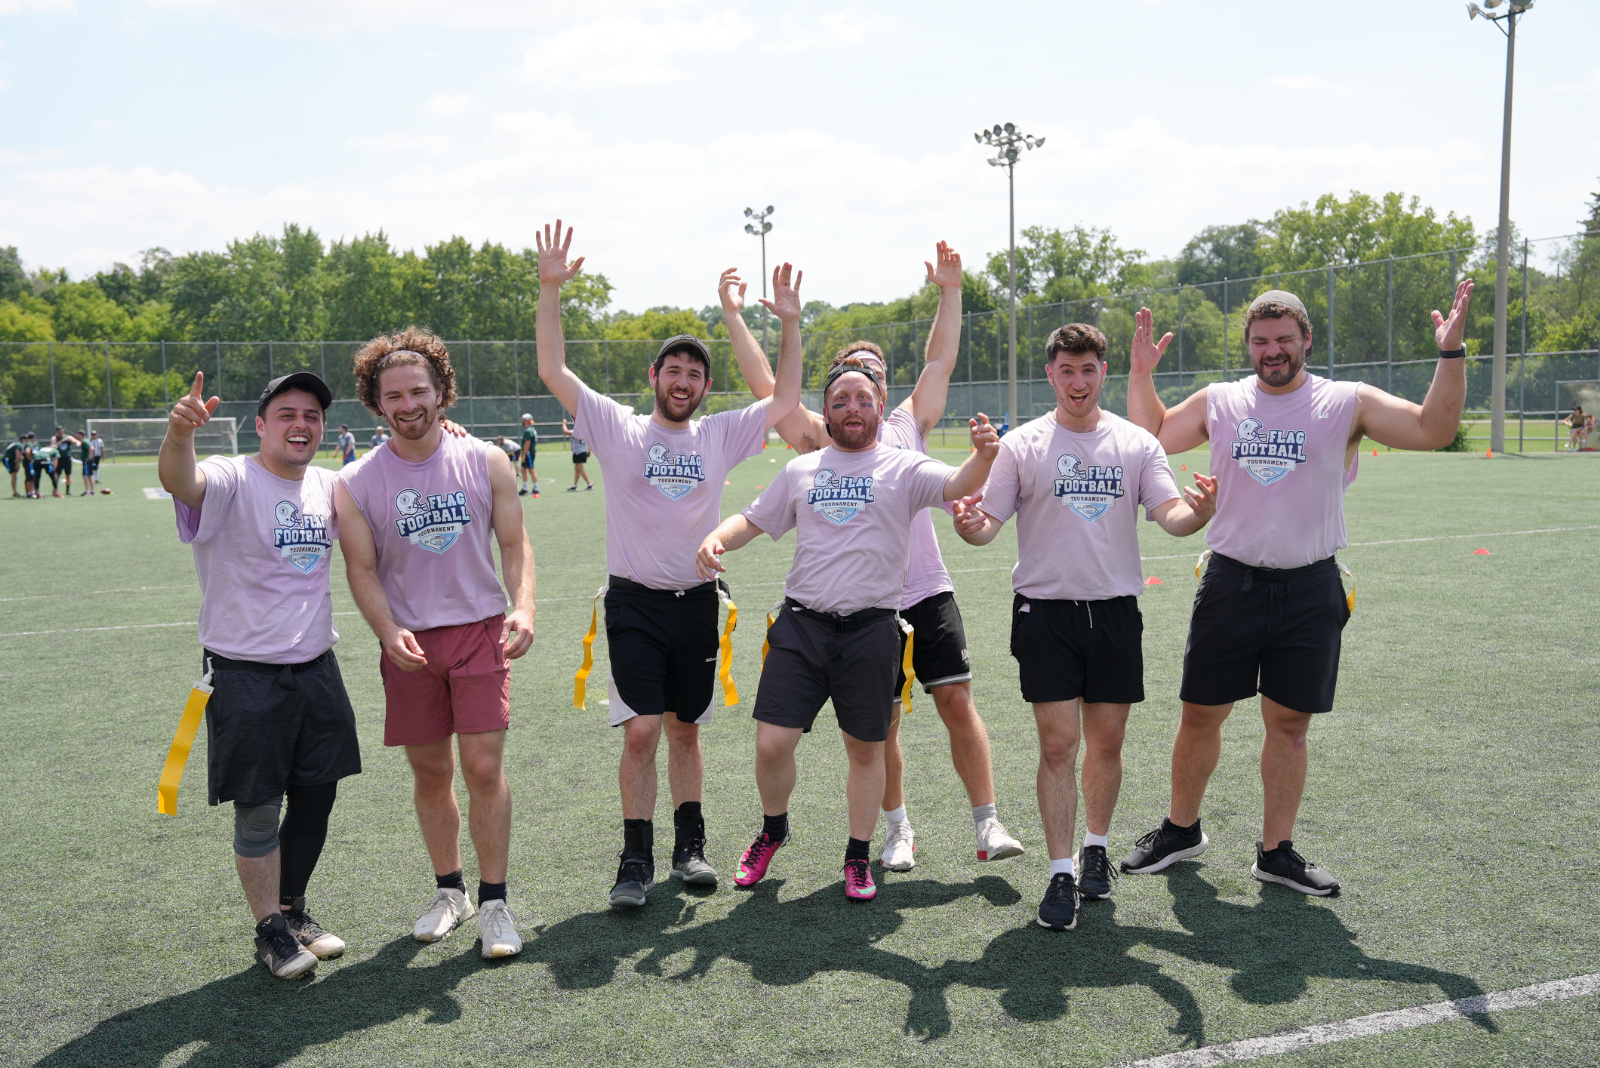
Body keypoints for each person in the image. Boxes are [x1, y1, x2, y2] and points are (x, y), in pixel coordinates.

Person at [1121, 283, 1474, 896]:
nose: (1273, 350)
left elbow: (1434, 428)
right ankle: (1181, 831)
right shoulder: (1221, 400)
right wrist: (1141, 373)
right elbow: (1149, 431)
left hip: (1310, 586)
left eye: (1284, 338)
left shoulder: (1345, 401)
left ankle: (1276, 852)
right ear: (1248, 346)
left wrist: (1451, 353)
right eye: (1261, 341)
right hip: (1230, 580)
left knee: (1288, 724)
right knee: (1201, 713)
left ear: (1307, 340)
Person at [730, 241, 1025, 873]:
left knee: (956, 700)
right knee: (879, 725)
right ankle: (896, 829)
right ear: (834, 392)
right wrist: (741, 319)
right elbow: (767, 388)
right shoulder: (824, 437)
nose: (863, 381)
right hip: (861, 606)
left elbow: (940, 359)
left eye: (874, 371)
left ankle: (987, 821)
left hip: (924, 588)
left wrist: (951, 291)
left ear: (883, 386)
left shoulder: (906, 423)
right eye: (850, 372)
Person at [535, 220, 802, 907]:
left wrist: (788, 325)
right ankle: (635, 860)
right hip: (634, 603)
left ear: (705, 386)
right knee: (642, 730)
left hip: (697, 603)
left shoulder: (718, 434)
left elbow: (783, 401)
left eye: (695, 374)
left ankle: (691, 848)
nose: (683, 381)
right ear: (654, 376)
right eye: (673, 370)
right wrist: (550, 289)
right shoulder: (619, 427)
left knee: (685, 729)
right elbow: (553, 371)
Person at [697, 358, 1000, 902]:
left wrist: (983, 455)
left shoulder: (903, 467)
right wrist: (717, 537)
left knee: (866, 750)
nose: (852, 408)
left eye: (863, 399)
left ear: (880, 407)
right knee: (771, 743)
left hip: (872, 631)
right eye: (840, 401)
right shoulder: (803, 470)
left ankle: (858, 857)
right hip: (801, 626)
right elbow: (754, 518)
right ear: (826, 413)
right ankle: (773, 830)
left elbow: (959, 483)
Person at [951, 322, 1218, 933]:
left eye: (1088, 369)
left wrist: (1199, 512)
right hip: (1045, 613)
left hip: (1115, 614)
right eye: (1066, 370)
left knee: (1107, 743)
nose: (1078, 381)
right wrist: (970, 527)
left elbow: (1171, 515)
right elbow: (987, 524)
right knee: (1056, 746)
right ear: (1051, 375)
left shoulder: (1136, 443)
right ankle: (1059, 873)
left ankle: (1095, 847)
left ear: (1103, 373)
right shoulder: (1022, 445)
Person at [335, 327, 535, 958]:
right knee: (430, 771)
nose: (408, 404)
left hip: (479, 631)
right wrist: (387, 630)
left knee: (483, 768)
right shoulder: (356, 480)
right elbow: (361, 570)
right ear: (376, 402)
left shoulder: (486, 459)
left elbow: (514, 543)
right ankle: (451, 891)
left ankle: (495, 903)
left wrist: (524, 606)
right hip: (410, 646)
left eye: (418, 390)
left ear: (441, 391)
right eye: (393, 395)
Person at [157, 369, 362, 980]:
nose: (301, 425)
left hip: (317, 669)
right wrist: (179, 434)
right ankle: (269, 929)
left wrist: (447, 431)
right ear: (261, 424)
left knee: (318, 796)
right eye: (287, 414)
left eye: (312, 416)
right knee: (258, 810)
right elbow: (181, 480)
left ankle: (293, 911)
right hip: (245, 674)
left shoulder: (329, 484)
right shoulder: (230, 477)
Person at [562, 416, 593, 490]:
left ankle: (590, 484)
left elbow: (566, 431)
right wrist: (588, 451)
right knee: (577, 470)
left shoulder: (576, 432)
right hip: (580, 452)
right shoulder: (583, 431)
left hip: (579, 452)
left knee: (581, 470)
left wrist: (564, 423)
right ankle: (574, 485)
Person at [517, 414, 540, 497]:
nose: (521, 421)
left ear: (526, 420)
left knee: (531, 469)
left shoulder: (528, 431)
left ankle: (536, 488)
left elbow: (527, 443)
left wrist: (524, 454)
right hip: (529, 452)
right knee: (523, 469)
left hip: (528, 453)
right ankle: (525, 488)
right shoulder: (531, 429)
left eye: (523, 419)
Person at [54, 427, 80, 497]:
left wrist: (76, 443)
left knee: (68, 474)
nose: (61, 433)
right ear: (57, 432)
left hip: (67, 458)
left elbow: (76, 441)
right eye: (60, 432)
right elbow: (55, 446)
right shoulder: (55, 438)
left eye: (62, 431)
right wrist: (62, 441)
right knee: (57, 474)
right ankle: (55, 490)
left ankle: (68, 490)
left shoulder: (68, 437)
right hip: (59, 458)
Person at [86, 430, 104, 494]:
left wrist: (103, 456)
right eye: (92, 434)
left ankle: (96, 479)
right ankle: (92, 479)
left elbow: (102, 448)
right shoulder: (89, 441)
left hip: (97, 455)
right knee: (92, 468)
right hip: (91, 456)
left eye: (94, 434)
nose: (93, 436)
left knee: (96, 467)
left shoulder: (99, 441)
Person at [4, 433, 21, 497]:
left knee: (14, 476)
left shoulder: (16, 444)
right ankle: (14, 492)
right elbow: (18, 455)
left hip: (10, 460)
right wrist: (17, 464)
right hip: (8, 460)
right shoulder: (18, 445)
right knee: (14, 476)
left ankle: (15, 492)